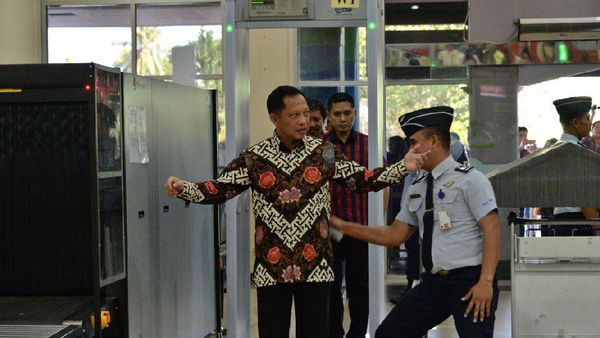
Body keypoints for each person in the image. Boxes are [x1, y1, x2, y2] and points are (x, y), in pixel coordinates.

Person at [164, 85, 427, 338]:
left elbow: (364, 180)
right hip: (271, 265)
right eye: (295, 115)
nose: (304, 121)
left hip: (316, 265)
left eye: (305, 113)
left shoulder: (323, 152)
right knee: (273, 333)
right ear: (274, 118)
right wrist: (184, 188)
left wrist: (402, 167)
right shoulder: (255, 158)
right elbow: (219, 189)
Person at [330, 105, 501, 338]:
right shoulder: (418, 186)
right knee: (389, 333)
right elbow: (395, 235)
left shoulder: (471, 180)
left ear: (433, 141)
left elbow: (492, 229)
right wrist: (345, 226)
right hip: (434, 284)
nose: (409, 150)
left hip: (471, 282)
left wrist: (486, 282)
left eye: (413, 142)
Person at [324, 92, 371, 338]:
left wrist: (377, 223)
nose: (342, 119)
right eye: (337, 114)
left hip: (360, 227)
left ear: (354, 114)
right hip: (329, 228)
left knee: (359, 286)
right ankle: (334, 334)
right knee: (331, 286)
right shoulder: (321, 146)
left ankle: (357, 333)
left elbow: (380, 183)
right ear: (329, 117)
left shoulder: (367, 145)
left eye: (347, 113)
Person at [551, 96, 598, 236]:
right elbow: (584, 196)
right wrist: (598, 228)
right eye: (588, 119)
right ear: (576, 122)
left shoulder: (556, 149)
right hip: (579, 221)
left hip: (560, 219)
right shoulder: (576, 152)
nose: (590, 124)